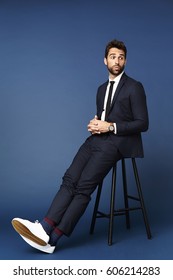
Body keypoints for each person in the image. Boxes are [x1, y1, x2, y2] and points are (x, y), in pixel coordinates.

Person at [12, 39, 149, 254]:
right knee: (70, 178)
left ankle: (53, 237)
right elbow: (105, 116)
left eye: (121, 57)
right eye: (113, 57)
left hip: (118, 143)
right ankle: (45, 228)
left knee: (84, 186)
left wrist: (110, 126)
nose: (117, 61)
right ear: (105, 61)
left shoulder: (134, 87)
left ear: (125, 61)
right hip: (97, 140)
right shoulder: (101, 89)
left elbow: (143, 123)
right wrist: (96, 124)